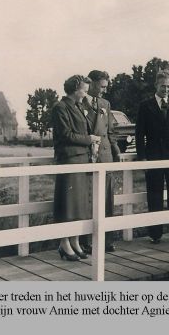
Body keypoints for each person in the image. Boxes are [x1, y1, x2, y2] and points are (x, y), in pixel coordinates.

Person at [135, 69, 169, 244]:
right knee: (155, 195)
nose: (166, 90)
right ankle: (155, 234)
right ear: (156, 85)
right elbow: (139, 134)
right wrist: (142, 156)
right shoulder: (145, 105)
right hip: (154, 156)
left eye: (168, 86)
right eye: (163, 86)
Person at [51, 75, 101, 261]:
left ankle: (75, 241)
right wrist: (90, 139)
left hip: (82, 160)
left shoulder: (79, 107)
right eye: (84, 90)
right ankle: (64, 243)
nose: (86, 94)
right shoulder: (60, 107)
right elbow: (66, 135)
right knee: (67, 205)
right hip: (70, 160)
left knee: (79, 205)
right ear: (74, 89)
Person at [79, 70, 121, 253]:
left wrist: (115, 149)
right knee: (89, 199)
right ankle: (86, 241)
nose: (104, 90)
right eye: (102, 86)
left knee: (106, 200)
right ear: (93, 84)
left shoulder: (105, 103)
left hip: (105, 155)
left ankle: (106, 240)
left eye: (106, 86)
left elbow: (110, 130)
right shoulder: (80, 102)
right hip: (89, 156)